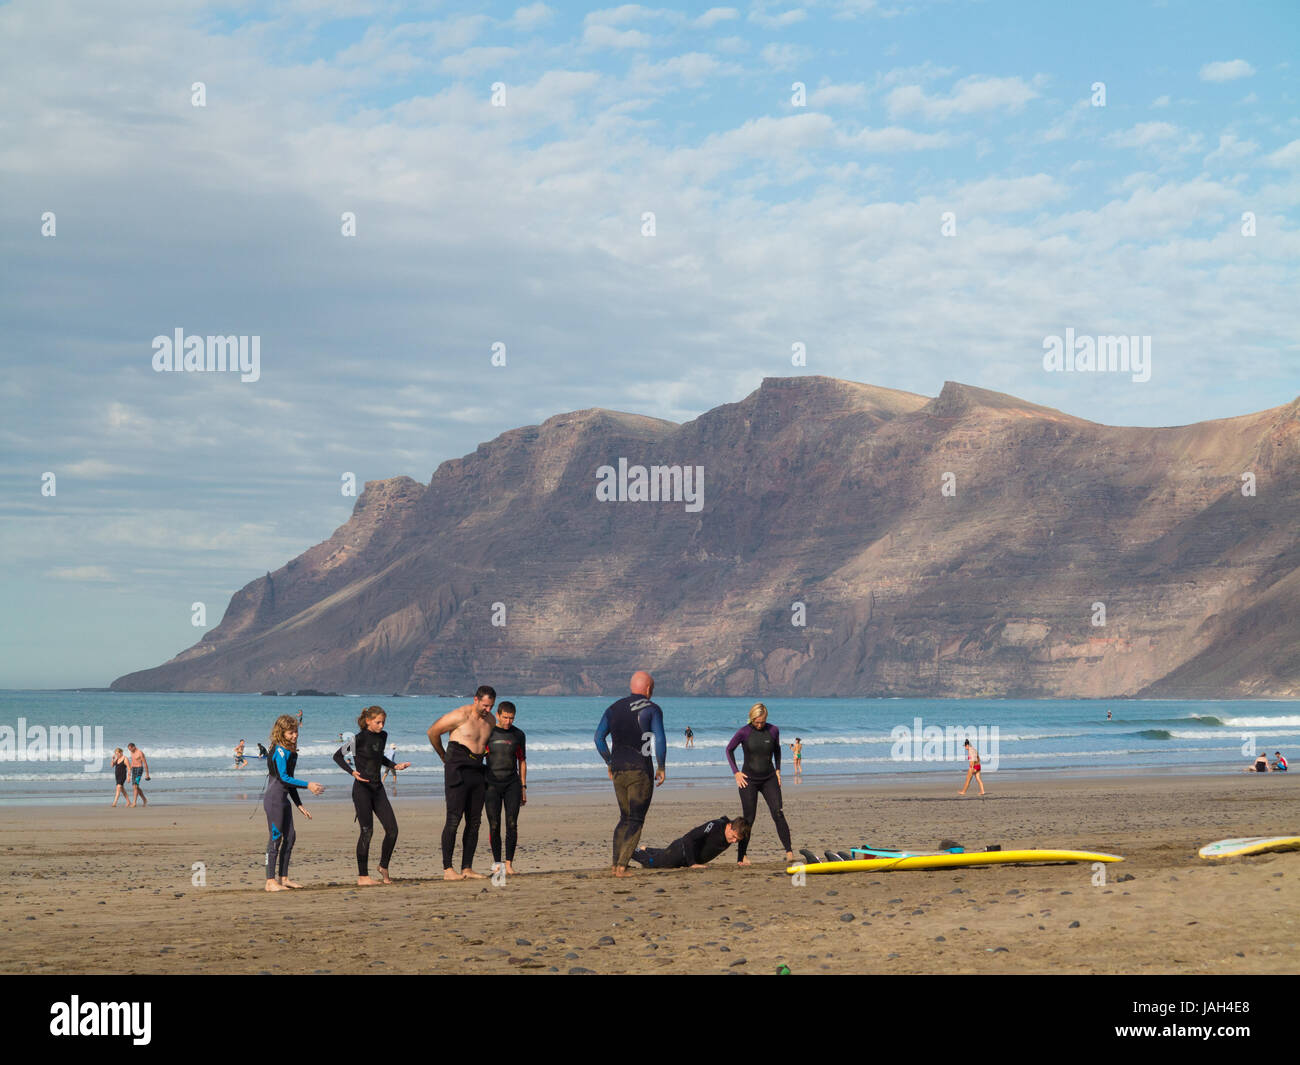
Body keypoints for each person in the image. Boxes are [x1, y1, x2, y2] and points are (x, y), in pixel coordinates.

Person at [594, 670, 666, 878]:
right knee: (636, 819)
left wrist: (609, 761)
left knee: (624, 817)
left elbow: (598, 738)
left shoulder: (613, 708)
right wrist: (661, 766)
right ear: (648, 689)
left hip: (618, 769)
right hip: (640, 770)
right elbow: (659, 739)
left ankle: (616, 864)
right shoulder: (652, 709)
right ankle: (622, 868)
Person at [428, 685, 497, 880]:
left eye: (491, 706)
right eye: (485, 705)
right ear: (476, 699)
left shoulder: (490, 720)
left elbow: (489, 745)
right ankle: (448, 869)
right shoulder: (459, 716)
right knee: (453, 818)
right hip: (457, 768)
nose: (488, 710)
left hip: (477, 770)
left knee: (474, 821)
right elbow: (432, 732)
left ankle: (467, 867)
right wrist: (443, 756)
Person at [334, 706, 410, 886]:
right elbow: (337, 756)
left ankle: (383, 866)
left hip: (378, 789)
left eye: (383, 722)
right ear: (368, 721)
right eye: (378, 722)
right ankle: (363, 877)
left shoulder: (383, 736)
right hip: (362, 790)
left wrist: (394, 765)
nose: (381, 725)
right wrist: (351, 772)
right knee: (367, 831)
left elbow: (379, 757)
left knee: (393, 830)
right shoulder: (357, 739)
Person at [725, 703, 794, 865]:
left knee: (778, 812)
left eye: (762, 722)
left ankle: (789, 851)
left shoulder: (773, 730)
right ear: (751, 718)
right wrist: (736, 772)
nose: (759, 725)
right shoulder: (744, 732)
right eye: (756, 722)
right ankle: (741, 856)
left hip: (769, 778)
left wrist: (778, 770)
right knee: (748, 819)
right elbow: (729, 750)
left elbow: (777, 750)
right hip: (748, 780)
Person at [264, 714, 324, 892]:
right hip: (274, 800)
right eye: (291, 733)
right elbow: (283, 778)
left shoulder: (291, 752)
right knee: (275, 839)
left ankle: (283, 878)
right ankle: (270, 881)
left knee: (290, 837)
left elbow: (290, 782)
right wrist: (308, 785)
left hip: (284, 800)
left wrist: (299, 805)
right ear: (281, 733)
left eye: (296, 732)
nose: (295, 735)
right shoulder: (280, 751)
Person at [484, 701, 527, 875]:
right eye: (505, 717)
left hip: (512, 784)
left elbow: (522, 760)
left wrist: (523, 786)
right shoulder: (489, 732)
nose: (508, 721)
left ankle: (508, 864)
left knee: (512, 824)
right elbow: (479, 756)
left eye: (511, 718)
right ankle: (497, 865)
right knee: (494, 825)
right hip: (491, 784)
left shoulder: (518, 734)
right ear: (498, 715)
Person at [632, 815, 750, 869]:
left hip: (687, 858)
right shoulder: (713, 826)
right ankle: (629, 851)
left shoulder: (733, 832)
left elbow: (742, 842)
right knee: (652, 863)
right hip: (681, 851)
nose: (734, 841)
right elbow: (688, 838)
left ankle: (646, 850)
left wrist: (740, 859)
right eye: (734, 837)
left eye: (737, 840)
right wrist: (692, 863)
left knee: (662, 854)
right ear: (729, 826)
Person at [126, 743, 150, 807]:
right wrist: (129, 773)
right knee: (135, 786)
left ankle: (134, 803)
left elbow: (145, 763)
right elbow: (132, 762)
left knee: (135, 786)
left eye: (131, 749)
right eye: (129, 749)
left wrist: (147, 774)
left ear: (134, 747)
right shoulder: (132, 752)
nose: (130, 751)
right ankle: (144, 799)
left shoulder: (140, 753)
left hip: (139, 769)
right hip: (133, 769)